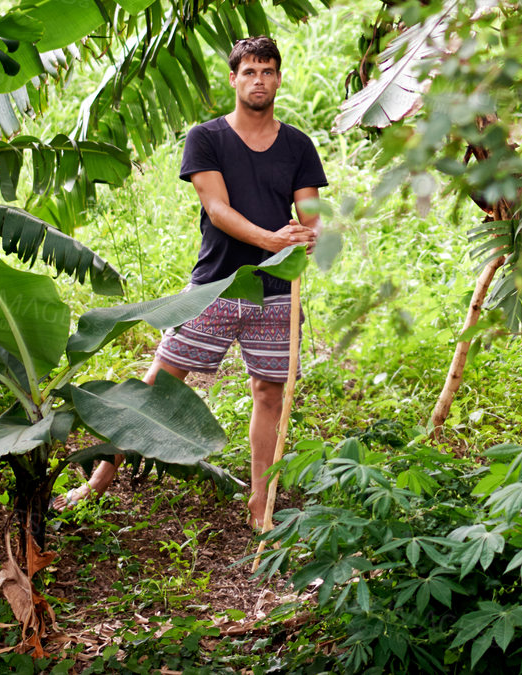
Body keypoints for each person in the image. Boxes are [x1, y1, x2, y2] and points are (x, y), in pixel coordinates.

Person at [56, 35, 326, 528]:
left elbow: (309, 211)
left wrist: (305, 236)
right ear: (233, 79)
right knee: (158, 383)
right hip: (217, 285)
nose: (259, 80)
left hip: (276, 292)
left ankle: (261, 504)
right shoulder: (208, 137)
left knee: (270, 394)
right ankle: (97, 482)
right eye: (249, 72)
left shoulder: (297, 145)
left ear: (279, 79)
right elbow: (218, 209)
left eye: (267, 71)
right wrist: (271, 240)